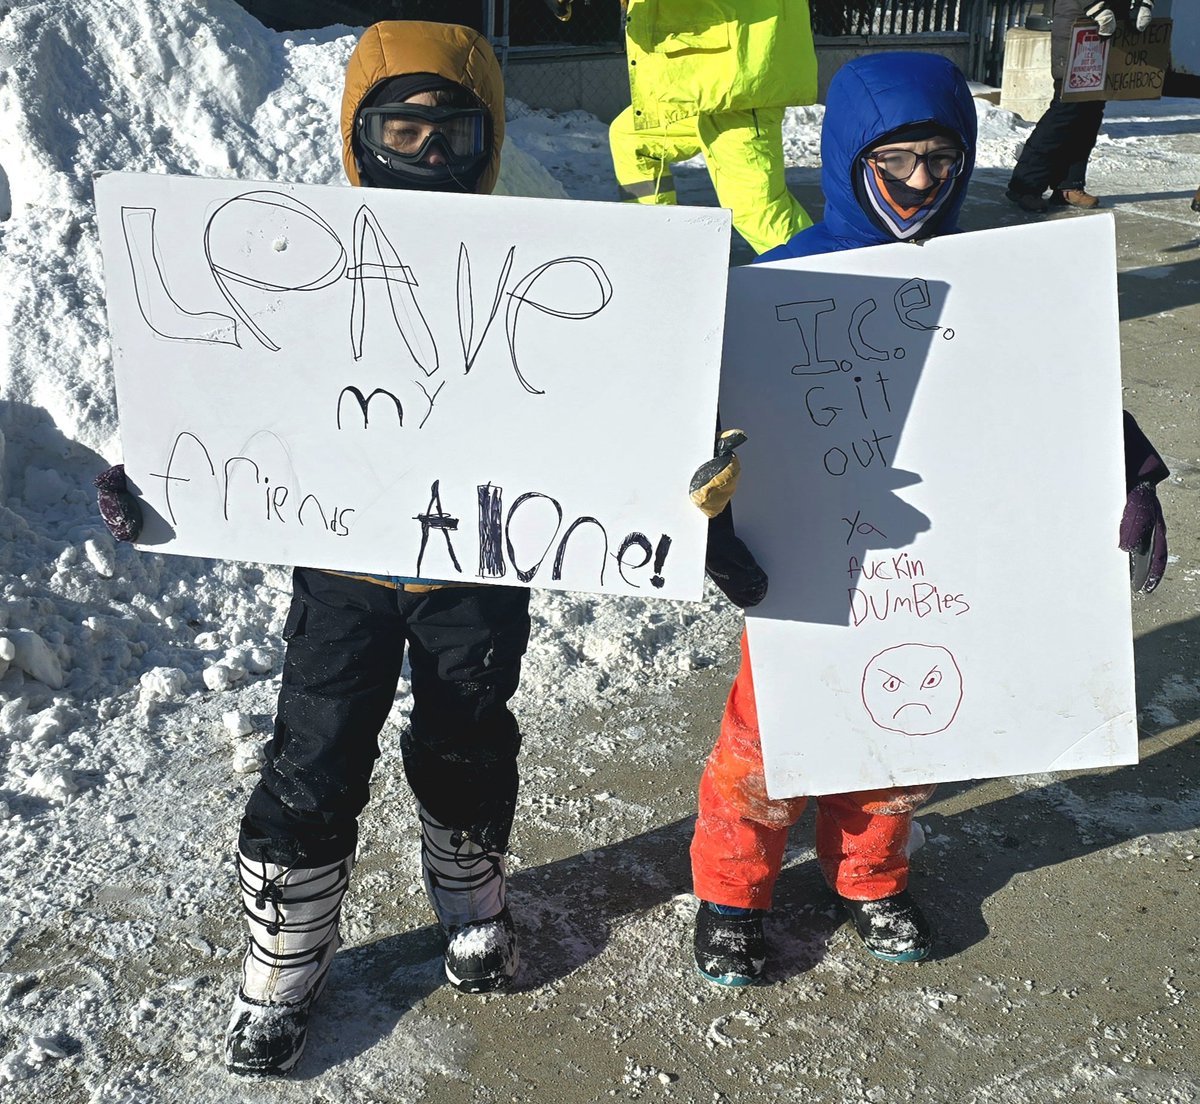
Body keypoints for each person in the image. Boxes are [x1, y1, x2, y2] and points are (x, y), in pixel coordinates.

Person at [685, 50, 1171, 988]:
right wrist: (713, 517)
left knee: (903, 740)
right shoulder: (780, 284)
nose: (919, 182)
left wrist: (1129, 467)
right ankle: (732, 893)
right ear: (847, 162)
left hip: (939, 571)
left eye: (941, 162)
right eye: (895, 160)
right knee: (764, 743)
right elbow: (708, 420)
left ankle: (867, 876)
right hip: (806, 565)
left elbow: (1059, 387)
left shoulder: (1001, 278)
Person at [99, 20, 526, 1077]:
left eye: (453, 134)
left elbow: (611, 402)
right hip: (345, 570)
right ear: (358, 133)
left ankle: (469, 898)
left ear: (490, 140)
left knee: (468, 740)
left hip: (478, 567)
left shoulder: (546, 263)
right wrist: (151, 470)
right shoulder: (300, 263)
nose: (427, 154)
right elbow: (221, 387)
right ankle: (282, 965)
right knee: (314, 755)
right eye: (402, 129)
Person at [608, 0, 818, 256]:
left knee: (759, 211)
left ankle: (828, 283)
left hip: (738, 77)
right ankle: (657, 250)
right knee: (632, 139)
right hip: (710, 76)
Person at [1006, 0, 1155, 213]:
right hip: (1080, 23)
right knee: (1065, 112)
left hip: (1110, 29)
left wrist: (1144, 3)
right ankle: (1026, 186)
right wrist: (1097, 8)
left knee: (1091, 112)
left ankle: (1069, 184)